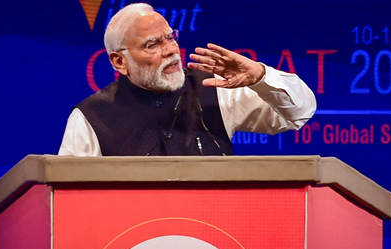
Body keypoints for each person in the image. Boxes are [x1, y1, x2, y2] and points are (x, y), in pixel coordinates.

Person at [59, 3, 316, 156]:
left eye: (170, 37)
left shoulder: (214, 88)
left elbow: (299, 113)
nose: (171, 50)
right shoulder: (91, 117)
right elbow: (68, 198)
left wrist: (261, 76)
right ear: (119, 62)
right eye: (152, 44)